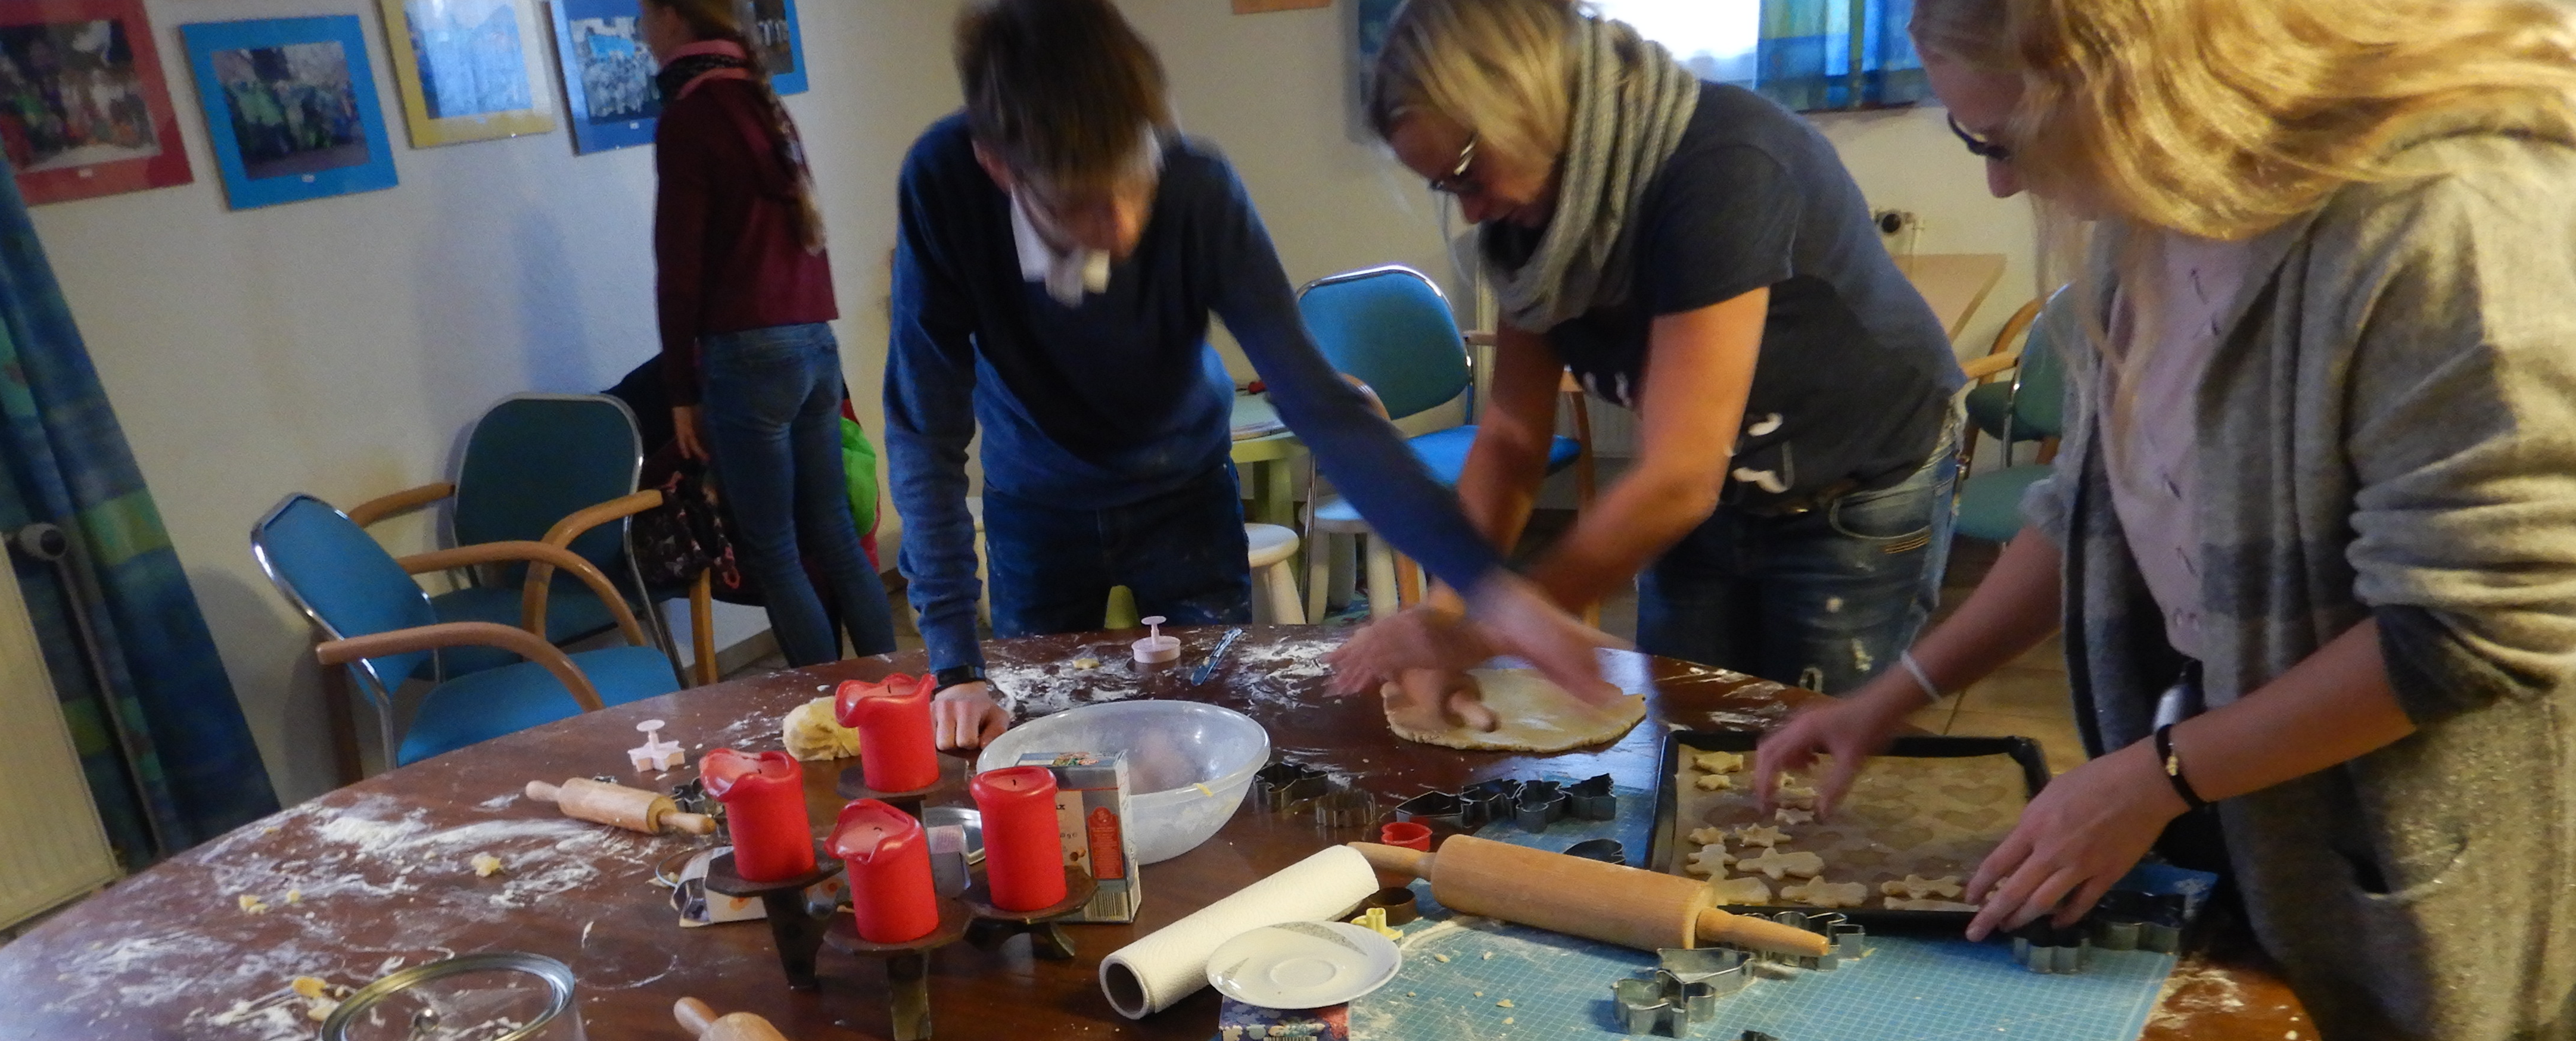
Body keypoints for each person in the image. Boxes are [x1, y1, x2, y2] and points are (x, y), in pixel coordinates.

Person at [1757, 0, 2576, 1041]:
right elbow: (2080, 506)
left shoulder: (2442, 214)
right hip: (2212, 762)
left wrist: (2161, 772)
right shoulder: (2156, 210)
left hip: (2382, 809)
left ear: (2124, 74)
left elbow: (2473, 626)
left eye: (1998, 138)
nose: (1996, 181)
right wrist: (1895, 690)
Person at [886, 0, 1619, 749]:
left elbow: (1322, 407)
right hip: (1035, 503)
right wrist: (955, 666)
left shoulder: (1197, 185)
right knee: (1048, 742)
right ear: (999, 167)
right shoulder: (944, 185)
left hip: (1185, 494)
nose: (1126, 223)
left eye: (1135, 177)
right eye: (1084, 206)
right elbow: (924, 428)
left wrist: (1490, 589)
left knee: (1220, 732)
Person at [1330, 0, 1964, 706]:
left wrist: (1490, 630)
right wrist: (1446, 611)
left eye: (1469, 173)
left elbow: (1679, 479)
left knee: (1806, 741)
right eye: (1446, 187)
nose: (1471, 212)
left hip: (1855, 489)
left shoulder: (1722, 164)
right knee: (1689, 730)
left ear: (1525, 103)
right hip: (1712, 502)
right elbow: (1510, 440)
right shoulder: (1525, 220)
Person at [645, 0, 895, 669]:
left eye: (645, 16)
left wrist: (680, 389)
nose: (642, 32)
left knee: (775, 550)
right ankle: (897, 693)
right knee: (835, 533)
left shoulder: (690, 116)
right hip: (814, 342)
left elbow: (679, 270)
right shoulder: (763, 102)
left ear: (673, 18)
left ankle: (827, 707)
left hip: (747, 352)